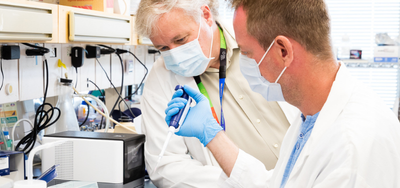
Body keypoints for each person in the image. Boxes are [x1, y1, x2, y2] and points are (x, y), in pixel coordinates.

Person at [165, 0, 400, 187]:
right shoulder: (312, 117)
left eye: (247, 53)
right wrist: (212, 134)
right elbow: (276, 183)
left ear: (283, 51)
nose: (245, 63)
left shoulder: (351, 146)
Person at [134, 0, 298, 187]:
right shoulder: (161, 77)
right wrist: (238, 182)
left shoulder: (261, 40)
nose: (175, 54)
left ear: (206, 15)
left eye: (180, 40)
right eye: (163, 48)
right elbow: (165, 165)